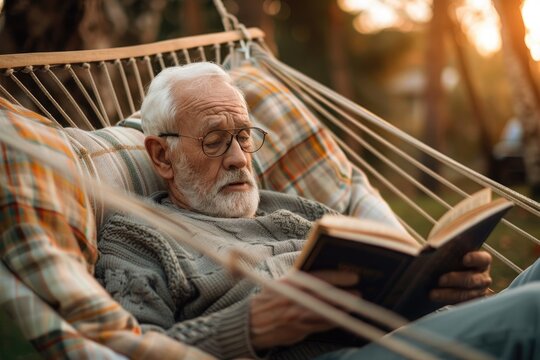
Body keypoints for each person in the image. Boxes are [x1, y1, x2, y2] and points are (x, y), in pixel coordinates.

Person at [95, 62, 495, 359]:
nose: (238, 158)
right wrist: (250, 327)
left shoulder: (294, 209)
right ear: (162, 156)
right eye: (215, 140)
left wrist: (442, 291)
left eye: (244, 136)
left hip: (419, 336)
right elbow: (132, 350)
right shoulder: (136, 236)